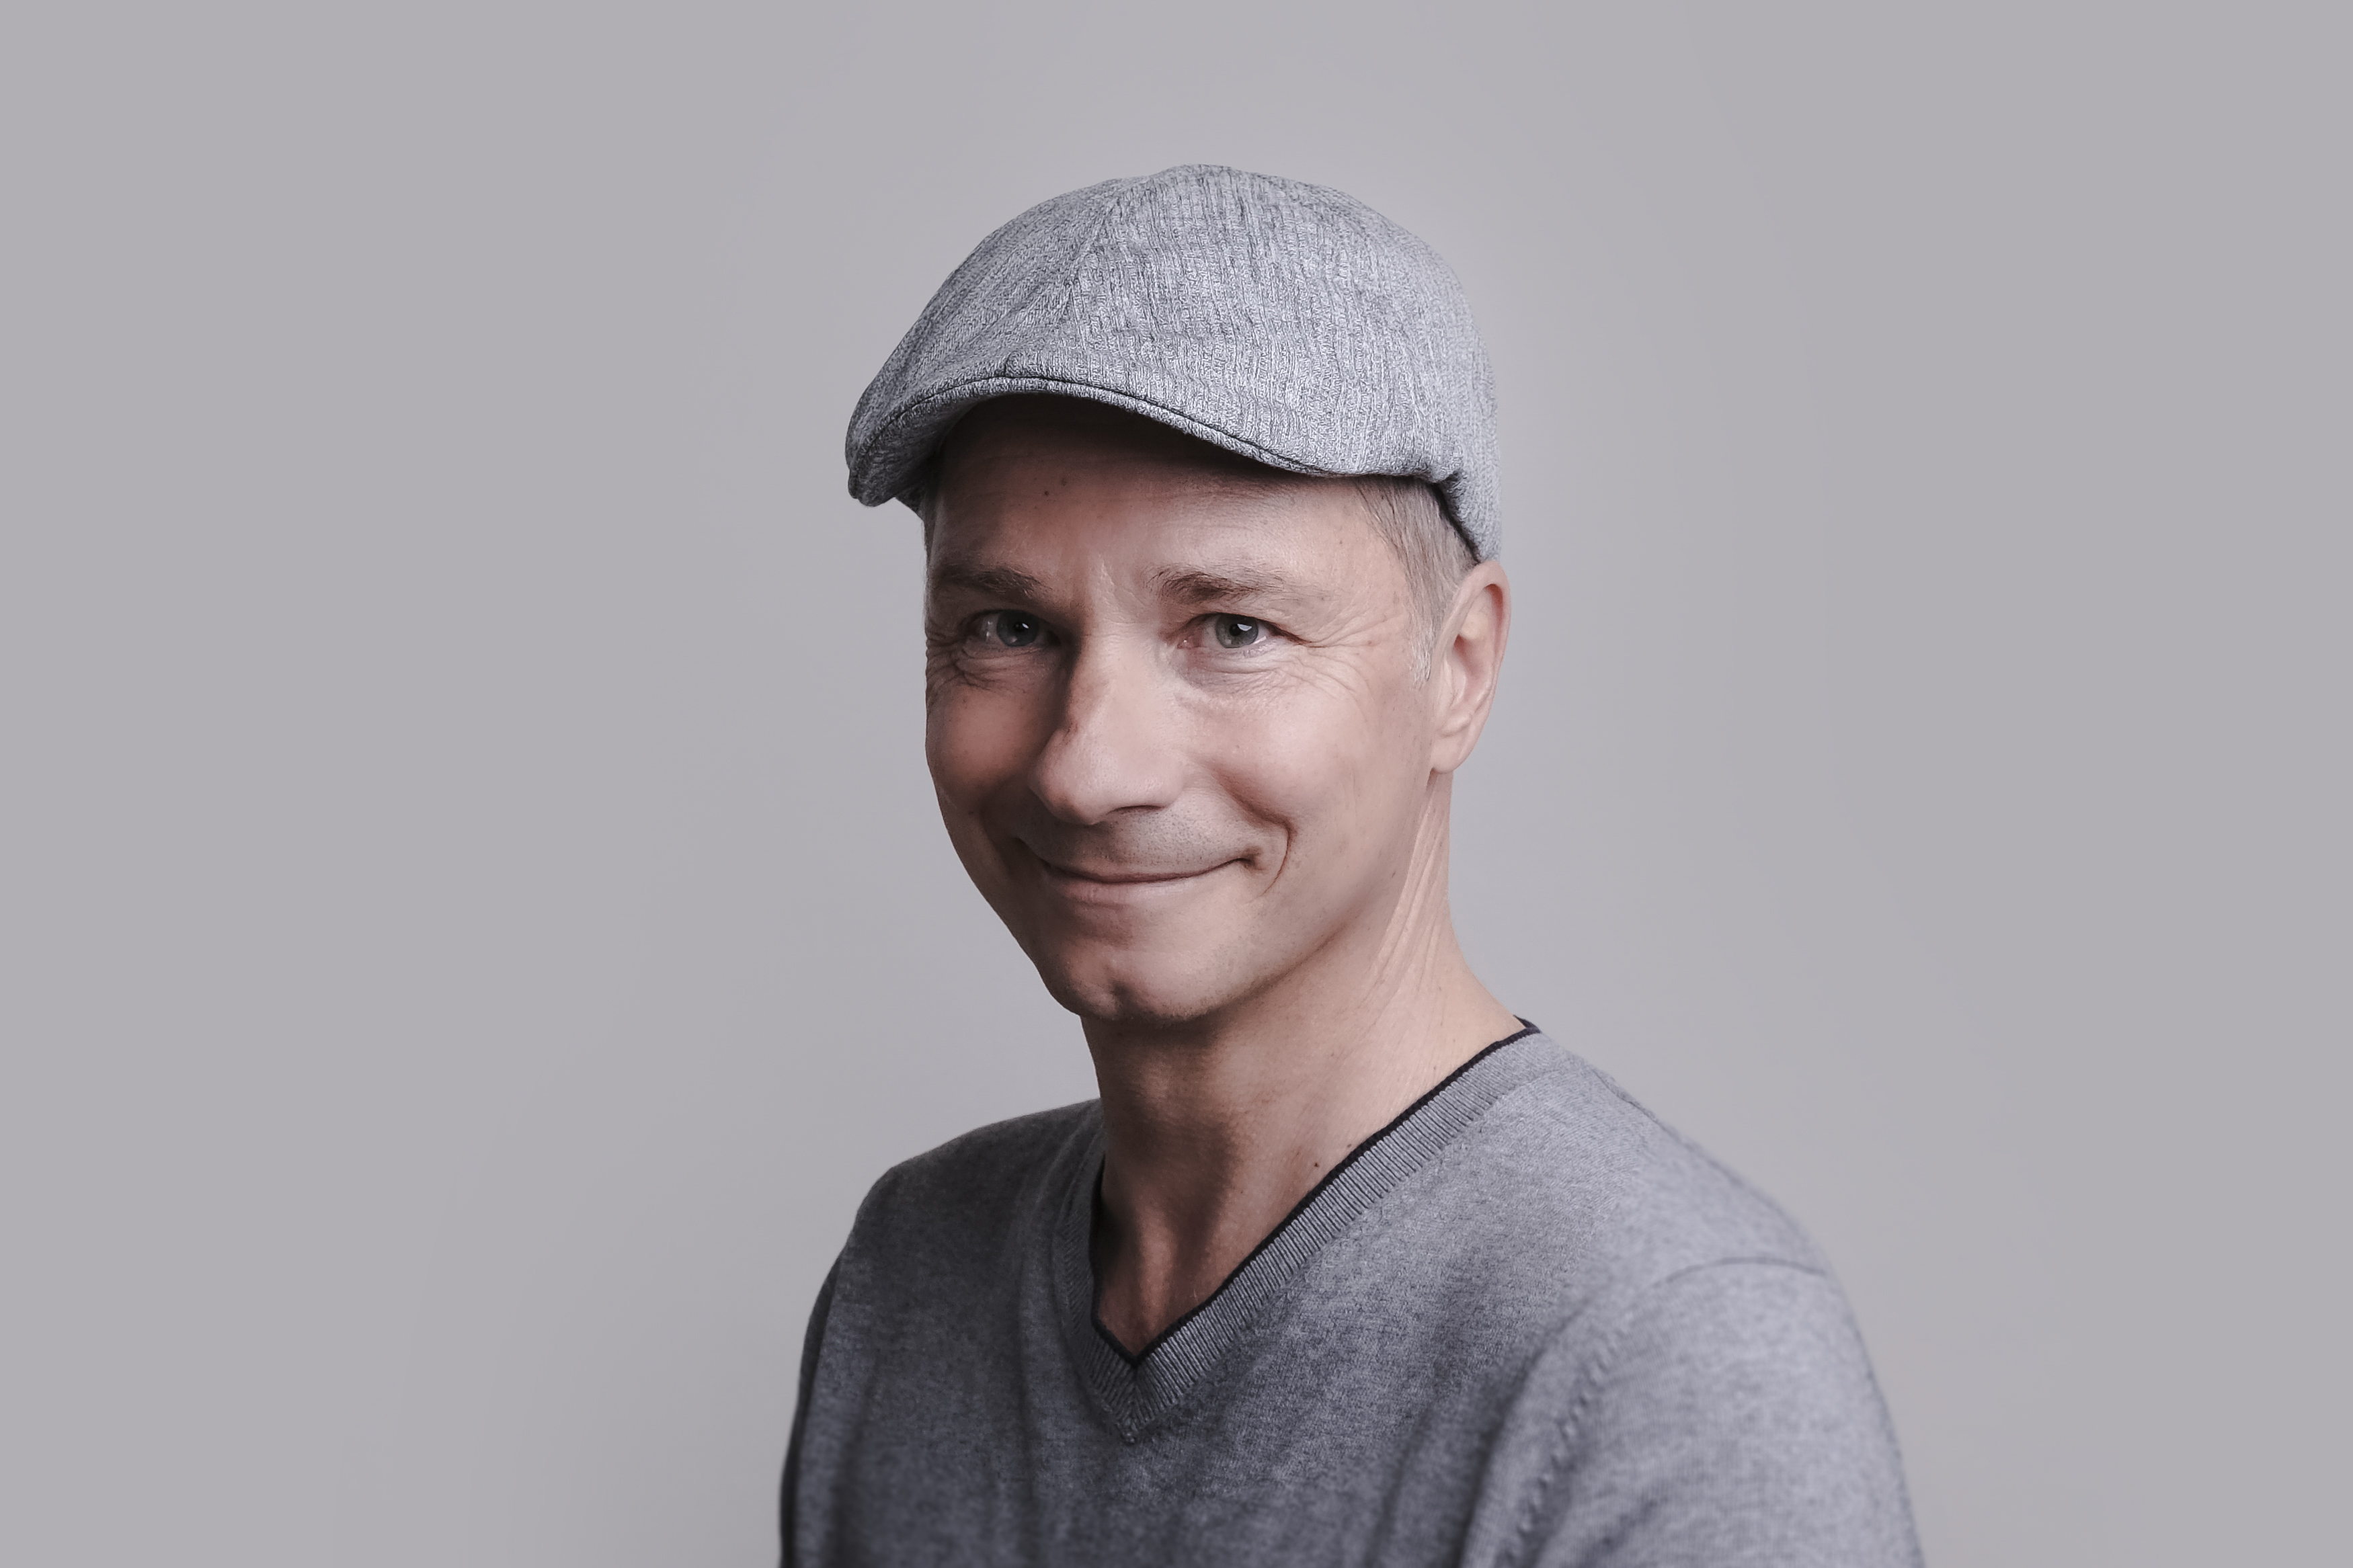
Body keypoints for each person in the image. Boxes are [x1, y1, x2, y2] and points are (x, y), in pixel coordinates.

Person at [782, 165, 1921, 1567]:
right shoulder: (913, 1274)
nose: (1087, 767)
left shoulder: (1670, 1359)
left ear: (1460, 669)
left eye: (1233, 629)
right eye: (1009, 629)